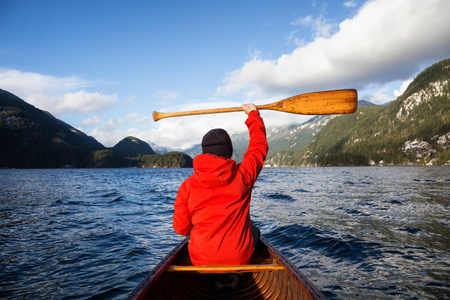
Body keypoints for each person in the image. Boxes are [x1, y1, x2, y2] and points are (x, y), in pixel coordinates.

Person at [173, 103, 268, 266]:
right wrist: (253, 115)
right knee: (254, 231)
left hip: (201, 261)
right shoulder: (243, 176)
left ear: (203, 152)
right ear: (229, 151)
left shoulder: (187, 186)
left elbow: (181, 229)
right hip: (239, 259)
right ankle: (235, 278)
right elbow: (258, 147)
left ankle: (211, 279)